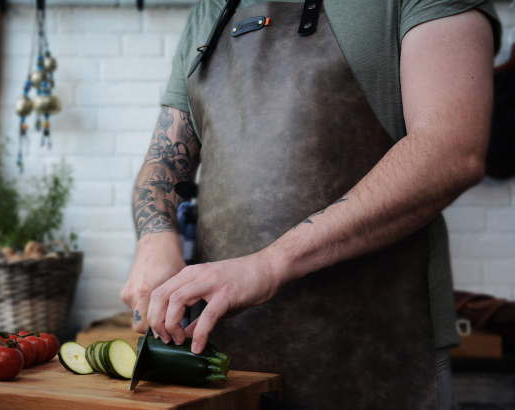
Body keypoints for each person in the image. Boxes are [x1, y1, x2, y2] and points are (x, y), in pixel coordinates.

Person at [121, 0, 501, 408]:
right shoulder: (211, 9)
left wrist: (270, 264)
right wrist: (154, 241)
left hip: (378, 357)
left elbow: (450, 150)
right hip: (229, 367)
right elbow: (163, 162)